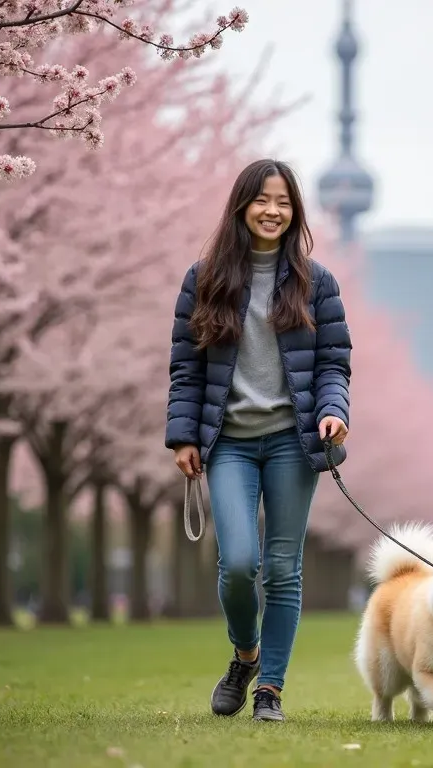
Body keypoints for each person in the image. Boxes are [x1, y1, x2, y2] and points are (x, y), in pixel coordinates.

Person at [165, 158, 352, 723]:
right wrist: (183, 437)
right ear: (242, 206)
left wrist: (332, 412)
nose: (273, 211)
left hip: (293, 442)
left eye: (285, 202)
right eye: (263, 200)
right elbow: (185, 367)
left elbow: (333, 365)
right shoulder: (204, 279)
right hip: (230, 444)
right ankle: (244, 654)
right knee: (239, 562)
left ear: (295, 212)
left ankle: (270, 687)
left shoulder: (317, 284)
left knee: (283, 567)